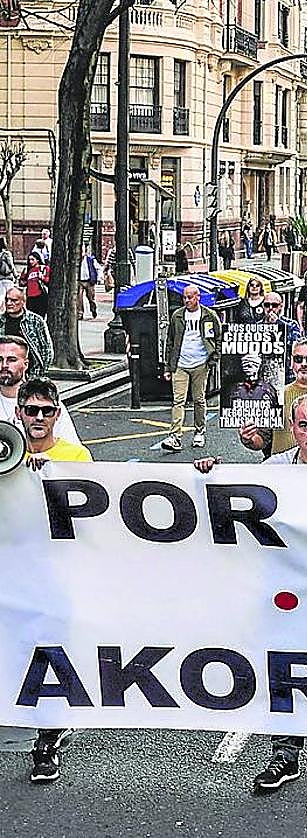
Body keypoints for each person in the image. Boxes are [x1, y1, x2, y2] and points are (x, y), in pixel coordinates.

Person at [196, 392, 307, 793]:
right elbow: (235, 494)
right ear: (292, 428)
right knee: (283, 668)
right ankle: (284, 754)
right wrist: (210, 473)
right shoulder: (275, 468)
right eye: (303, 425)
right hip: (284, 591)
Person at [14, 377, 91, 785]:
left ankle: (46, 740)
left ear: (57, 415)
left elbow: (96, 511)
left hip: (57, 570)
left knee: (50, 647)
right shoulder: (6, 453)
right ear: (18, 414)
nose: (39, 417)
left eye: (46, 410)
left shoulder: (75, 455)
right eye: (31, 410)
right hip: (14, 570)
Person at [161, 285, 220, 452]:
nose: (187, 300)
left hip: (200, 363)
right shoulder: (177, 316)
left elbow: (219, 337)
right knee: (178, 401)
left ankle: (199, 432)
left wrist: (213, 359)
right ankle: (175, 437)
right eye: (185, 297)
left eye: (190, 297)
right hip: (180, 363)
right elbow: (170, 342)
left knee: (199, 399)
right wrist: (168, 366)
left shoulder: (209, 316)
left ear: (198, 297)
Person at [3, 287, 53, 377]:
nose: (9, 303)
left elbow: (47, 349)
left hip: (31, 373)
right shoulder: (1, 321)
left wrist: (41, 372)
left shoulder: (36, 321)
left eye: (14, 300)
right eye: (7, 299)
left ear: (23, 302)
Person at [79, 244, 100, 319]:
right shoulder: (76, 261)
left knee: (91, 298)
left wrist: (99, 278)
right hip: (80, 281)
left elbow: (98, 268)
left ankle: (93, 310)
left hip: (89, 281)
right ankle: (80, 313)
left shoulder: (90, 259)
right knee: (79, 298)